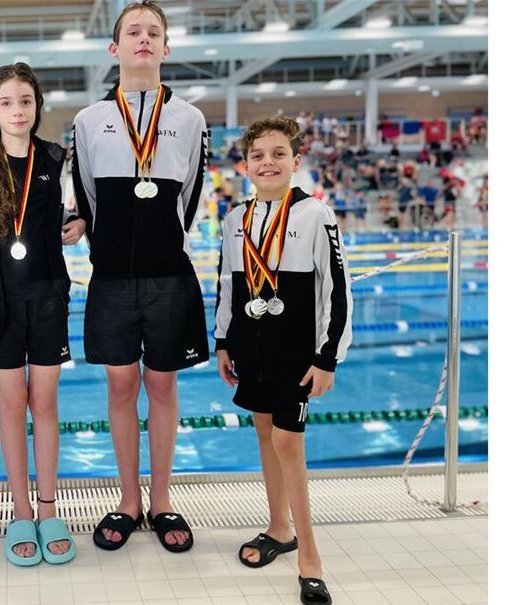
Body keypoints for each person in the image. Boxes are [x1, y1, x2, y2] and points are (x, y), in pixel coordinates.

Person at [71, 0, 210, 553]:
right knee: (122, 386)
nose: (144, 39)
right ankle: (129, 500)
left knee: (163, 384)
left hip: (168, 274)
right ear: (116, 48)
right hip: (110, 277)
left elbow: (194, 193)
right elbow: (84, 192)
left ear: (166, 48)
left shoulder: (190, 118)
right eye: (134, 31)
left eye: (154, 32)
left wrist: (162, 238)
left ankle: (161, 500)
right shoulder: (89, 120)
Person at [214, 116, 353, 605]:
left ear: (296, 161)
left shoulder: (317, 214)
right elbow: (228, 284)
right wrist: (223, 341)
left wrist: (328, 358)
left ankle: (309, 557)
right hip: (251, 348)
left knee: (288, 444)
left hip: (296, 353)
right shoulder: (236, 219)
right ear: (246, 165)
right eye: (258, 155)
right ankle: (279, 527)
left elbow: (337, 291)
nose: (267, 162)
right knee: (263, 432)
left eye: (278, 154)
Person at [0, 63, 85, 566]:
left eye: (26, 101)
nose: (17, 110)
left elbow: (72, 211)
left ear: (37, 107)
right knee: (12, 405)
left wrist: (76, 224)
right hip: (0, 299)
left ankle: (50, 507)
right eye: (7, 102)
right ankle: (19, 509)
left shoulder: (54, 157)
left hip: (48, 293)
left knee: (45, 403)